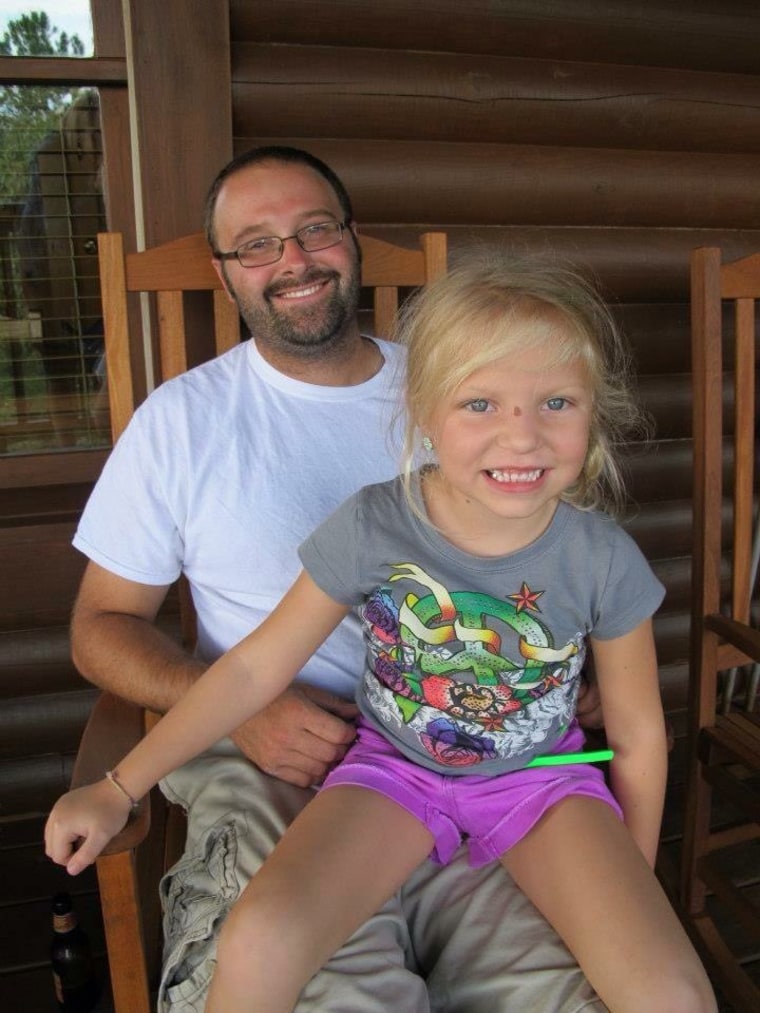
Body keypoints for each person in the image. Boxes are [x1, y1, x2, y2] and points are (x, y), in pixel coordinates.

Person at [47, 247, 716, 1012]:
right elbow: (249, 672)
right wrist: (118, 783)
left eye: (557, 403)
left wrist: (629, 884)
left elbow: (637, 736)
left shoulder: (603, 558)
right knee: (260, 936)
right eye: (481, 404)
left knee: (672, 992)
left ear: (593, 411)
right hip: (393, 772)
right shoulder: (374, 524)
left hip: (540, 785)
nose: (523, 436)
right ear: (425, 410)